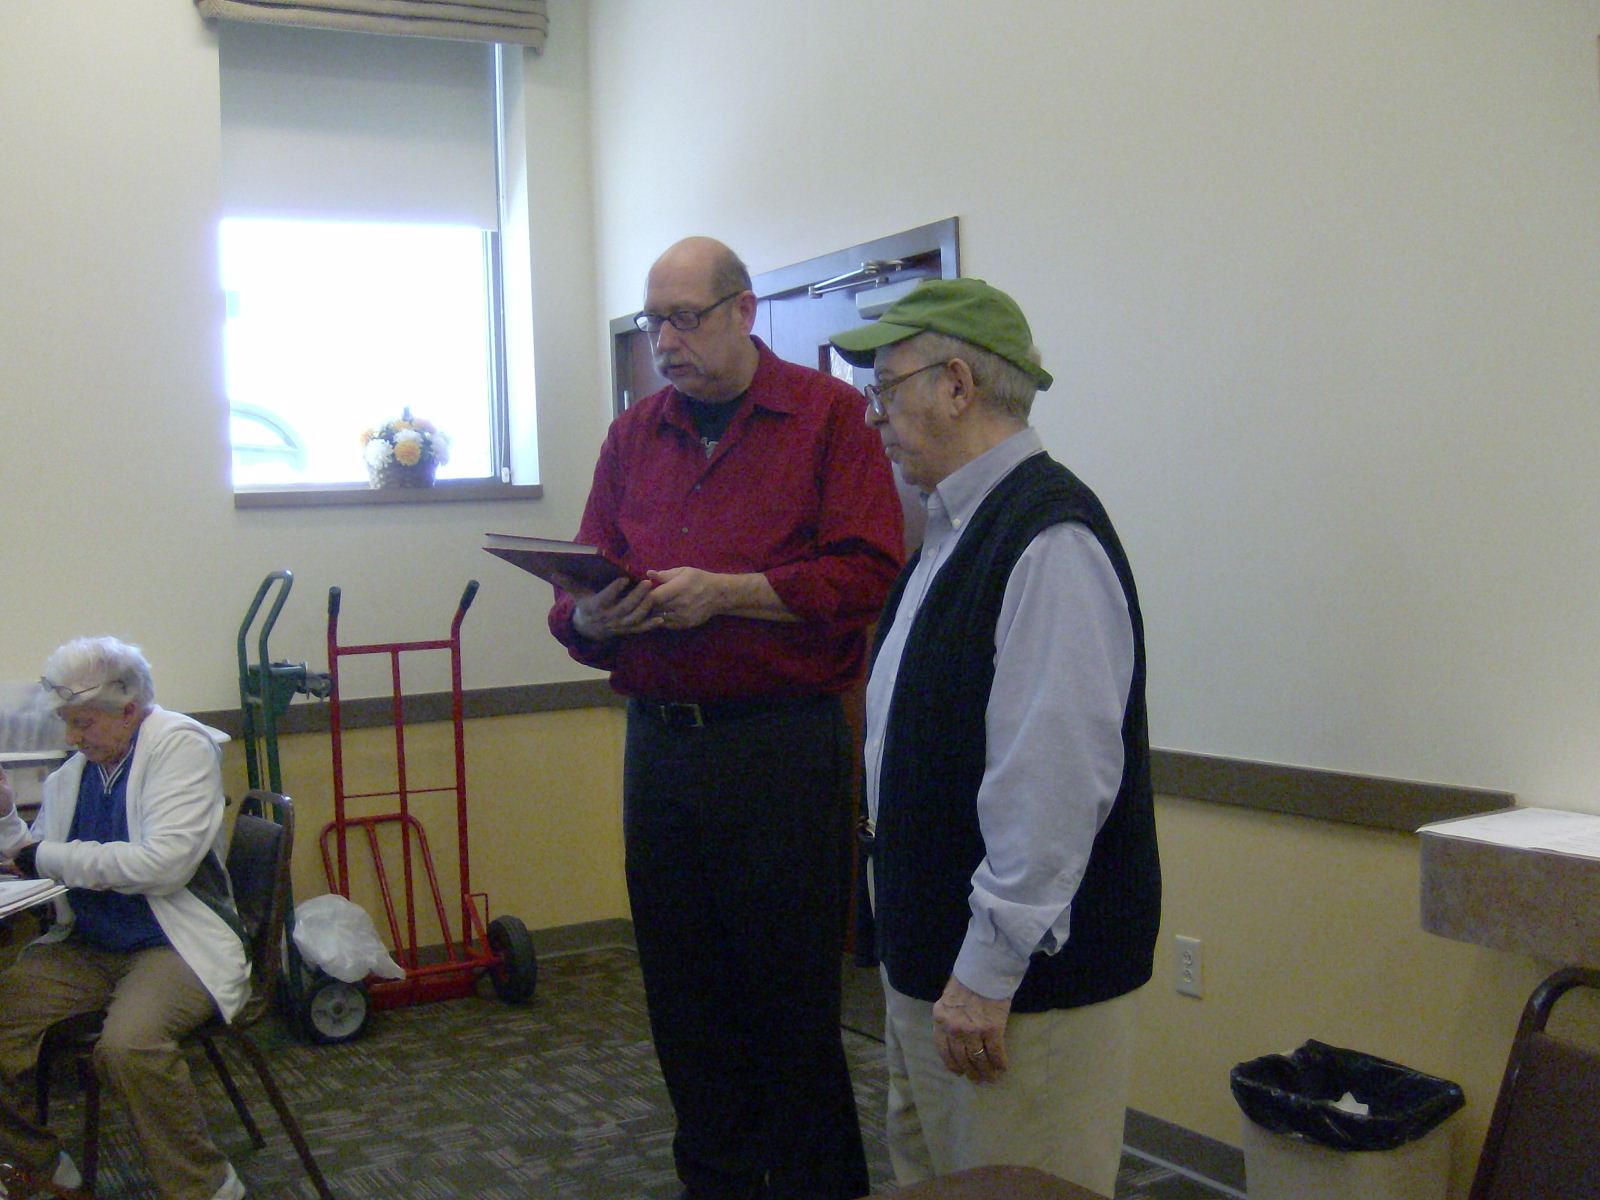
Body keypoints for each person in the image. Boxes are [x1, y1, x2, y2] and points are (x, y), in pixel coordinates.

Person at [548, 236, 903, 1200]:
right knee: (683, 1001)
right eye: (652, 322)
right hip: (660, 751)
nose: (664, 342)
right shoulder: (634, 436)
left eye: (684, 319)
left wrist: (729, 593)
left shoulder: (827, 416)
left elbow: (867, 573)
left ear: (744, 312)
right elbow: (577, 587)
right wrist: (589, 618)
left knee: (789, 1006)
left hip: (779, 748)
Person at [830, 279, 1162, 1197]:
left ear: (957, 385)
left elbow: (1053, 785)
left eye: (885, 388)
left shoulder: (1049, 536)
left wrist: (986, 970)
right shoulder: (949, 535)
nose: (873, 416)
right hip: (935, 973)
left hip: (1013, 995)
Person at [0, 638, 250, 1200]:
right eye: (67, 722)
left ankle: (208, 1188)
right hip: (90, 945)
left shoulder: (181, 747)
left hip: (173, 943)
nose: (71, 737)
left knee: (129, 1047)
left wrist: (44, 857)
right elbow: (39, 855)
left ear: (129, 709)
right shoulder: (79, 772)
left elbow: (163, 865)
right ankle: (40, 1164)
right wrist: (6, 818)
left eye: (82, 722)